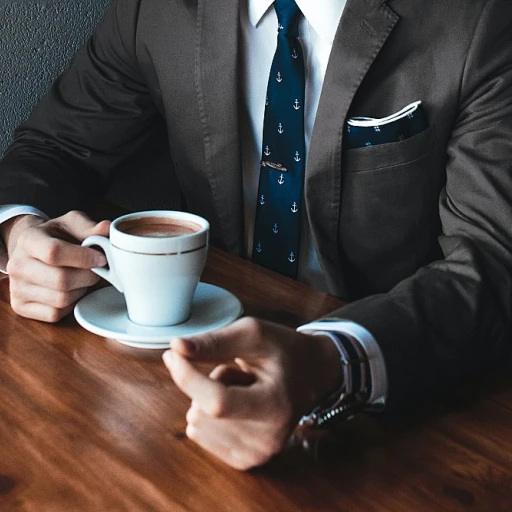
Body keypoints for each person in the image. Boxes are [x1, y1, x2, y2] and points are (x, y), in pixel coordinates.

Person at [0, 0, 511, 471]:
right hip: (173, 387)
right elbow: (53, 145)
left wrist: (330, 359)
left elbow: (492, 261)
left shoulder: (483, 19)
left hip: (397, 416)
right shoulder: (153, 9)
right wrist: (21, 230)